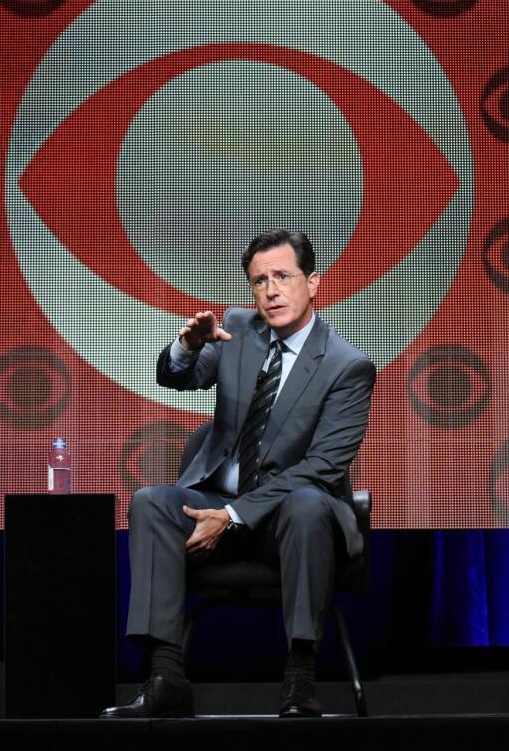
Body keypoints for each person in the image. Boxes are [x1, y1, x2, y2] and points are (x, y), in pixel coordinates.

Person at [101, 229, 376, 719]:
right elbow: (179, 377)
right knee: (150, 502)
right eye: (259, 280)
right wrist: (186, 345)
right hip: (215, 503)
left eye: (282, 277)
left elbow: (321, 468)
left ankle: (300, 679)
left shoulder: (347, 366)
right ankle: (165, 678)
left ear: (313, 283)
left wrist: (230, 515)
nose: (270, 290)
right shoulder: (238, 330)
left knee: (309, 502)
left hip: (287, 521)